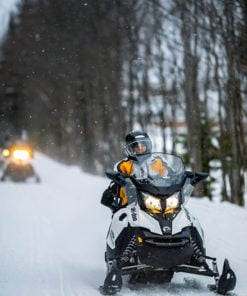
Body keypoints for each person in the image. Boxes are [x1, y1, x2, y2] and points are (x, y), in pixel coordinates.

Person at [101, 130, 168, 212]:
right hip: (131, 204)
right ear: (131, 148)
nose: (140, 148)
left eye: (143, 145)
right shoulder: (123, 165)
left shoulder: (158, 161)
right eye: (137, 146)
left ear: (148, 145)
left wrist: (183, 177)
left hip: (159, 201)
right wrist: (113, 188)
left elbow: (170, 174)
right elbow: (116, 182)